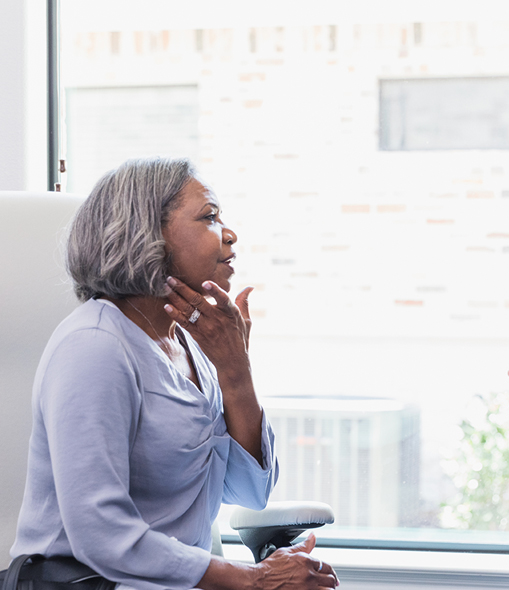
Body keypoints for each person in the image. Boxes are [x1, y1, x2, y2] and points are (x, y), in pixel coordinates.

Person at [10, 157, 339, 590]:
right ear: (148, 235)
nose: (230, 233)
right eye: (209, 216)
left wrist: (235, 371)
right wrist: (254, 580)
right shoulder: (94, 346)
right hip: (88, 581)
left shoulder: (191, 346)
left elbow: (250, 492)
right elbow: (102, 533)